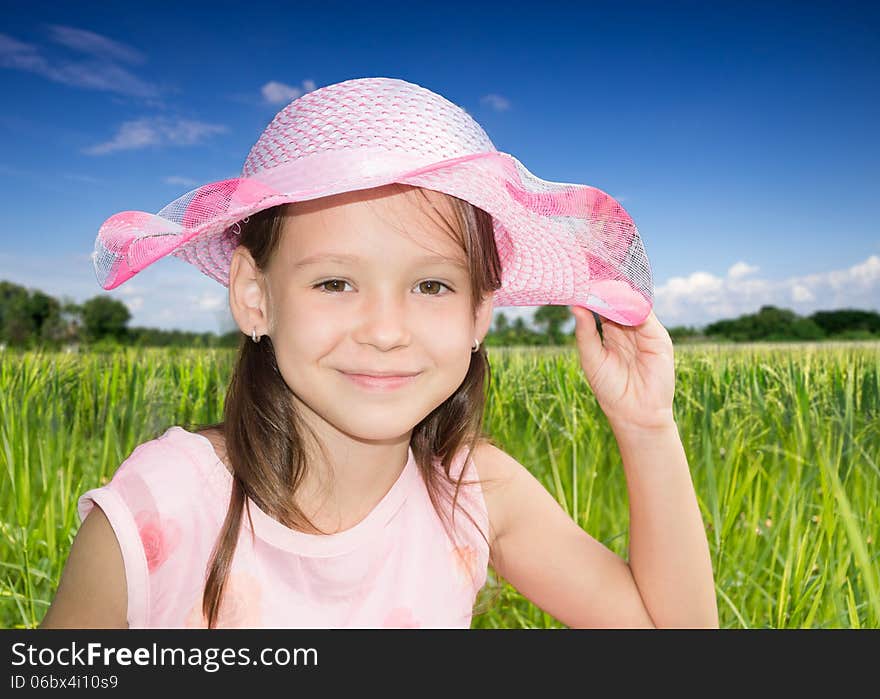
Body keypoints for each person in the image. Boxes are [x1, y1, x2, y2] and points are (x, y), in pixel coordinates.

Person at [40, 77, 717, 629]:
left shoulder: (475, 491)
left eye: (432, 284)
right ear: (254, 296)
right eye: (335, 282)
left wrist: (646, 425)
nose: (386, 330)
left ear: (480, 311)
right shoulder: (163, 506)